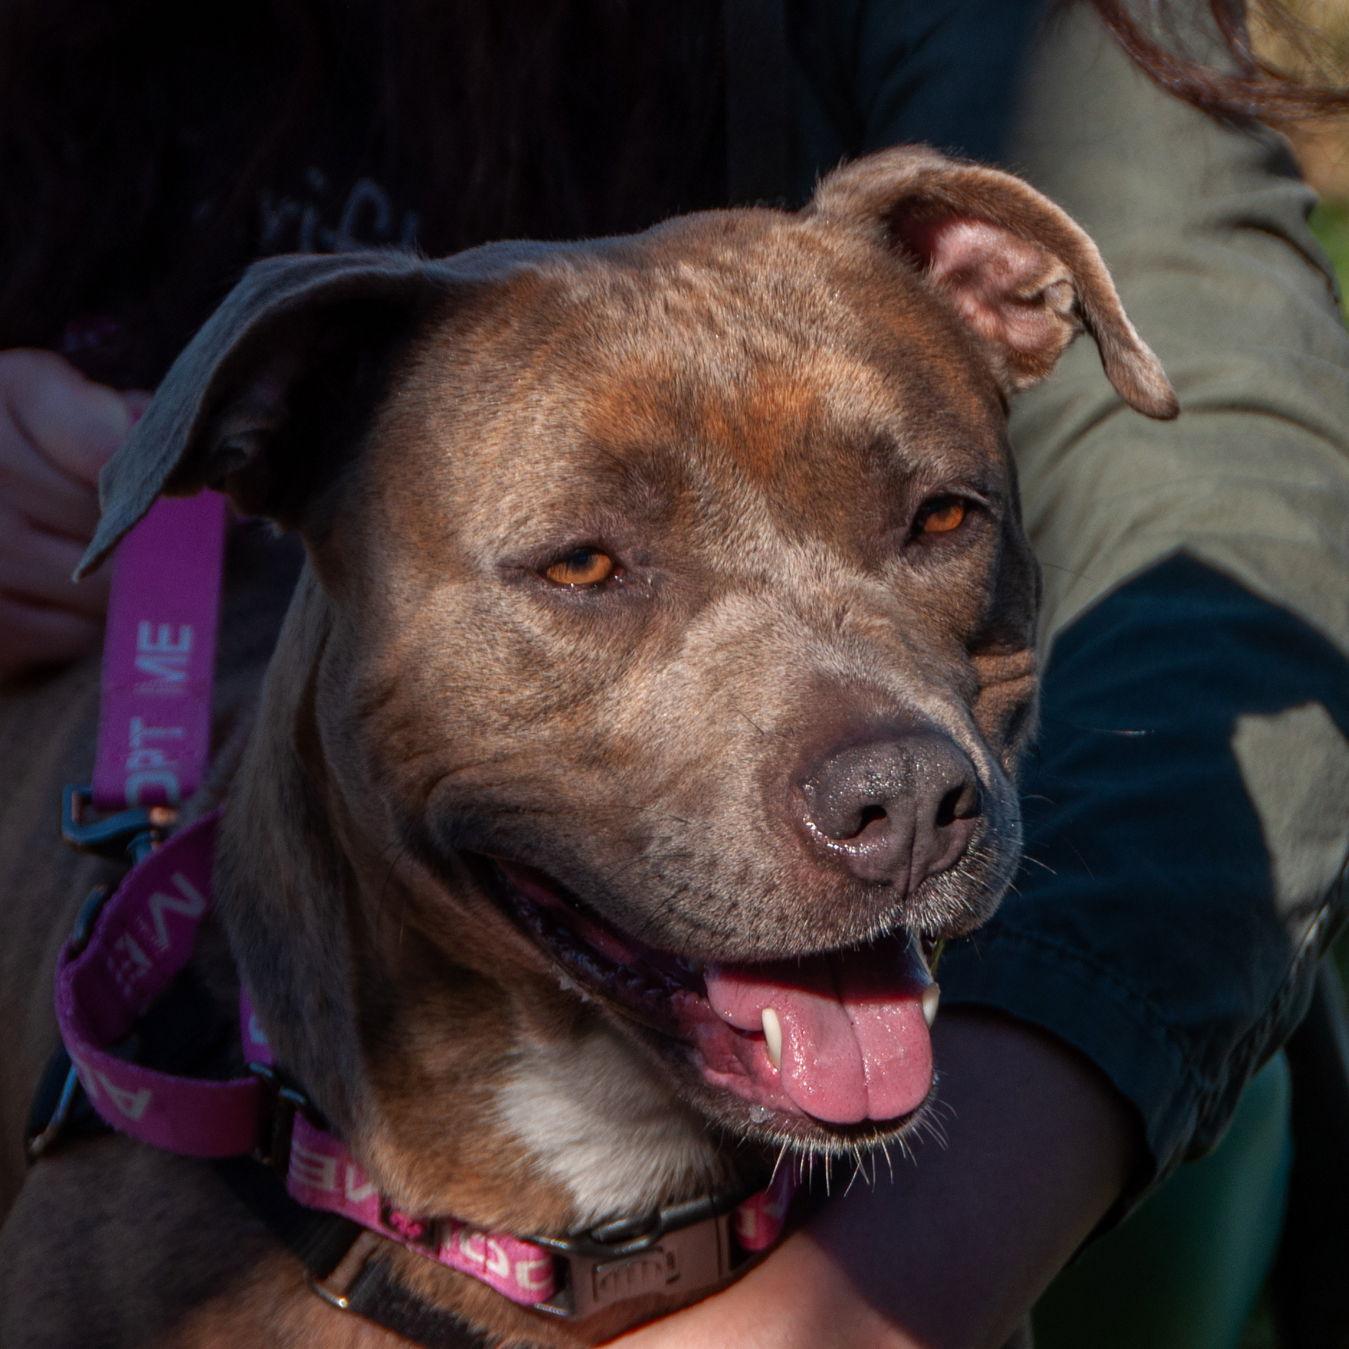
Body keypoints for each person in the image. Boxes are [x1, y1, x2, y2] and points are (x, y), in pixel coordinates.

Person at [1, 3, 1345, 1345]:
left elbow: (1239, 506)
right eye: (586, 566)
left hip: (1032, 1086)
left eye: (932, 522)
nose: (884, 757)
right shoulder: (122, 1280)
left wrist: (883, 1293)